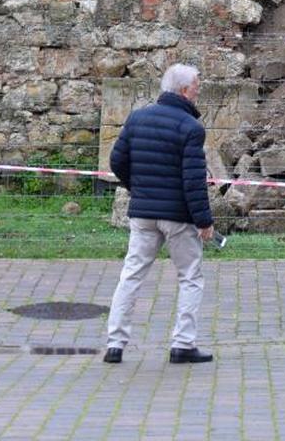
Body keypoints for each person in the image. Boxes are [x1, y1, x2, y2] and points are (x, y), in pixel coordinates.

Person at [103, 63, 215, 364]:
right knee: (190, 276)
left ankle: (115, 343)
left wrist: (138, 189)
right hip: (177, 217)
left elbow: (117, 161)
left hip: (143, 213)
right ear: (183, 90)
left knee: (132, 274)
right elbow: (193, 180)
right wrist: (204, 221)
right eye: (196, 88)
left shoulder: (137, 118)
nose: (198, 93)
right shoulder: (191, 128)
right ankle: (183, 344)